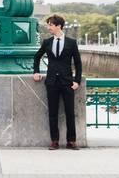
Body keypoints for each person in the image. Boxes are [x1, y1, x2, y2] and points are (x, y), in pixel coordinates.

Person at [33, 13, 82, 150]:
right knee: (52, 113)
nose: (48, 27)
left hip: (67, 83)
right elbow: (37, 57)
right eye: (48, 25)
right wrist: (36, 71)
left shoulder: (71, 43)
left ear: (58, 26)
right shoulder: (47, 42)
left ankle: (71, 141)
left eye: (50, 25)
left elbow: (78, 63)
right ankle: (54, 141)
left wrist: (77, 80)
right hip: (52, 82)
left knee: (70, 113)